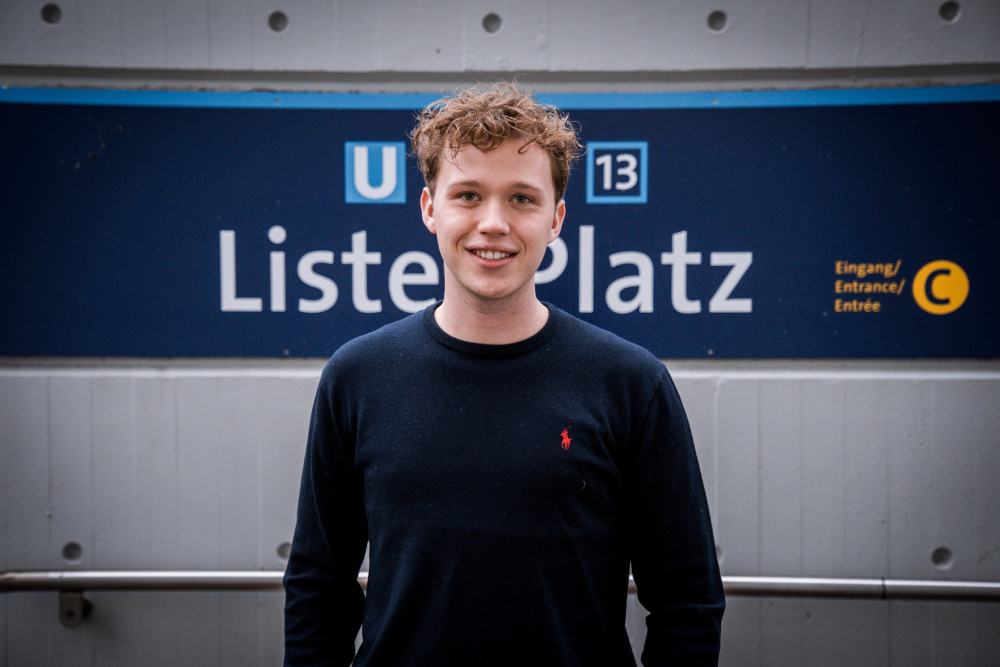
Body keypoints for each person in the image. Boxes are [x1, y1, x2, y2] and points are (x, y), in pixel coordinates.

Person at [283, 82, 725, 666]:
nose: (493, 223)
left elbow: (687, 600)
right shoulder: (357, 377)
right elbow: (318, 586)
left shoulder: (630, 383)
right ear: (430, 208)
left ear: (556, 218)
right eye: (468, 195)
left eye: (521, 198)